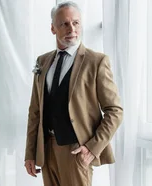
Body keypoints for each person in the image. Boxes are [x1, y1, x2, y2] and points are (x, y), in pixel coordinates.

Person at [23, 1, 124, 185]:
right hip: (46, 151)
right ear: (53, 28)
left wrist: (92, 148)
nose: (72, 28)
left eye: (76, 23)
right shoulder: (43, 61)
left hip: (76, 151)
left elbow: (115, 110)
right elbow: (35, 112)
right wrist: (30, 153)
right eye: (64, 24)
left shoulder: (96, 61)